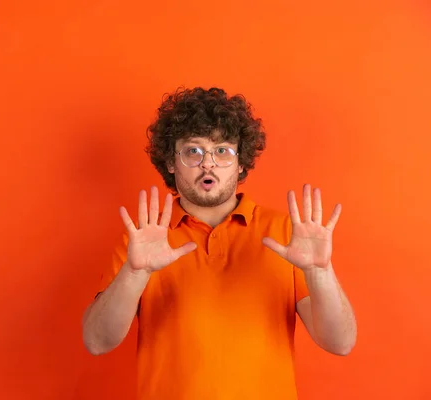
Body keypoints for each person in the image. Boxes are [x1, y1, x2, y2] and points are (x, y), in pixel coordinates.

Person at [82, 87, 357, 400]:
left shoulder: (286, 233)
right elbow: (97, 341)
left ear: (241, 163)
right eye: (193, 151)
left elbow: (340, 343)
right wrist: (134, 273)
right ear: (171, 162)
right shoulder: (142, 239)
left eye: (222, 151)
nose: (208, 164)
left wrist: (319, 271)